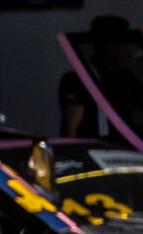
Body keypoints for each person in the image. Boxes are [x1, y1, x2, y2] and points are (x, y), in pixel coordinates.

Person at [58, 14, 143, 143]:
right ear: (108, 45)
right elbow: (70, 130)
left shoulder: (127, 78)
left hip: (129, 151)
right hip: (97, 153)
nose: (129, 50)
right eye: (124, 43)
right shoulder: (77, 80)